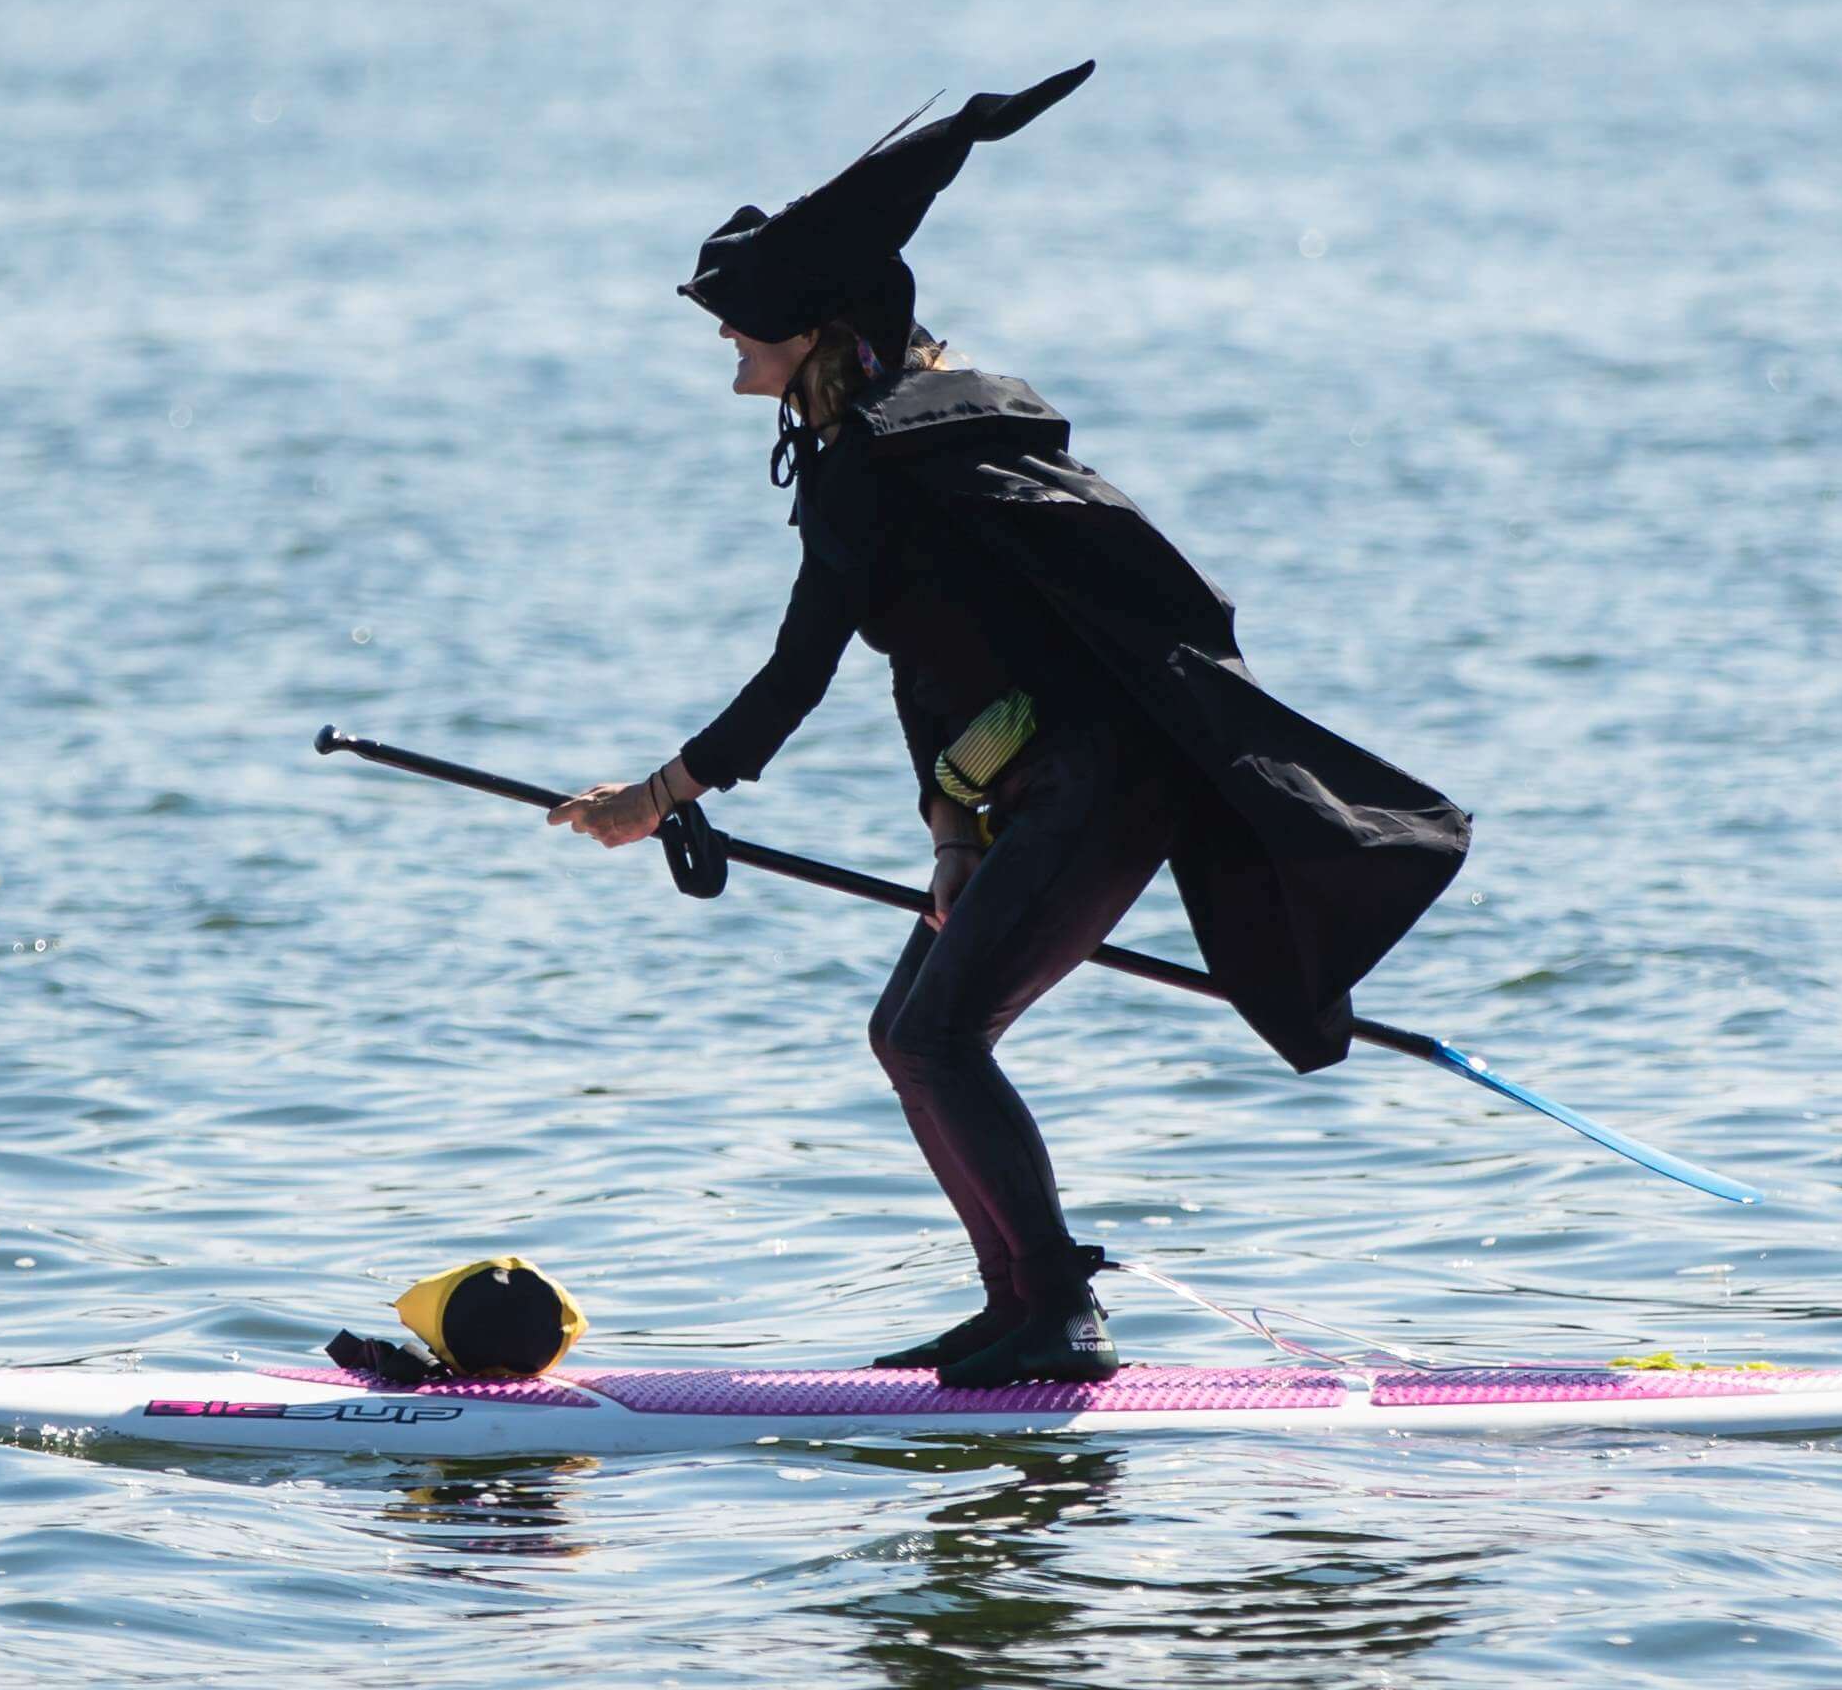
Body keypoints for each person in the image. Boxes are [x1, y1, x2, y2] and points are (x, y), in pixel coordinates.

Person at [551, 67, 1472, 1386]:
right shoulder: (905, 444)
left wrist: (653, 794)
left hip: (1098, 784)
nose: (723, 347)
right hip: (1048, 788)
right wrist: (951, 837)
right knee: (908, 1030)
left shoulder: (878, 460)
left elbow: (799, 673)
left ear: (815, 330)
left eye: (740, 326)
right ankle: (1019, 1303)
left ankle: (1050, 1308)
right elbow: (942, 663)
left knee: (933, 1035)